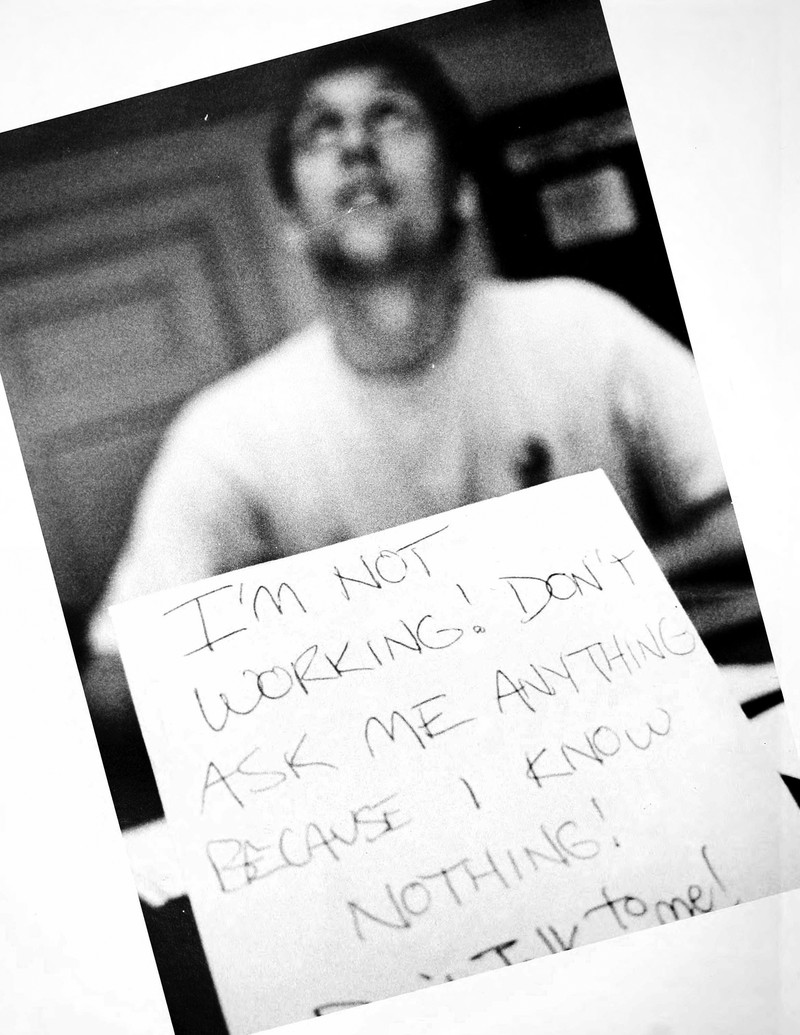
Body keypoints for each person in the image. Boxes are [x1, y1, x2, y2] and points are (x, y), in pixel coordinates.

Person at [86, 37, 744, 717]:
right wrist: (325, 659)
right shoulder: (227, 433)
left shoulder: (582, 325)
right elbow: (110, 682)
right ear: (290, 223)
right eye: (321, 130)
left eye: (391, 116)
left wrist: (581, 588)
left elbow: (761, 512)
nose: (356, 146)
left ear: (462, 191)